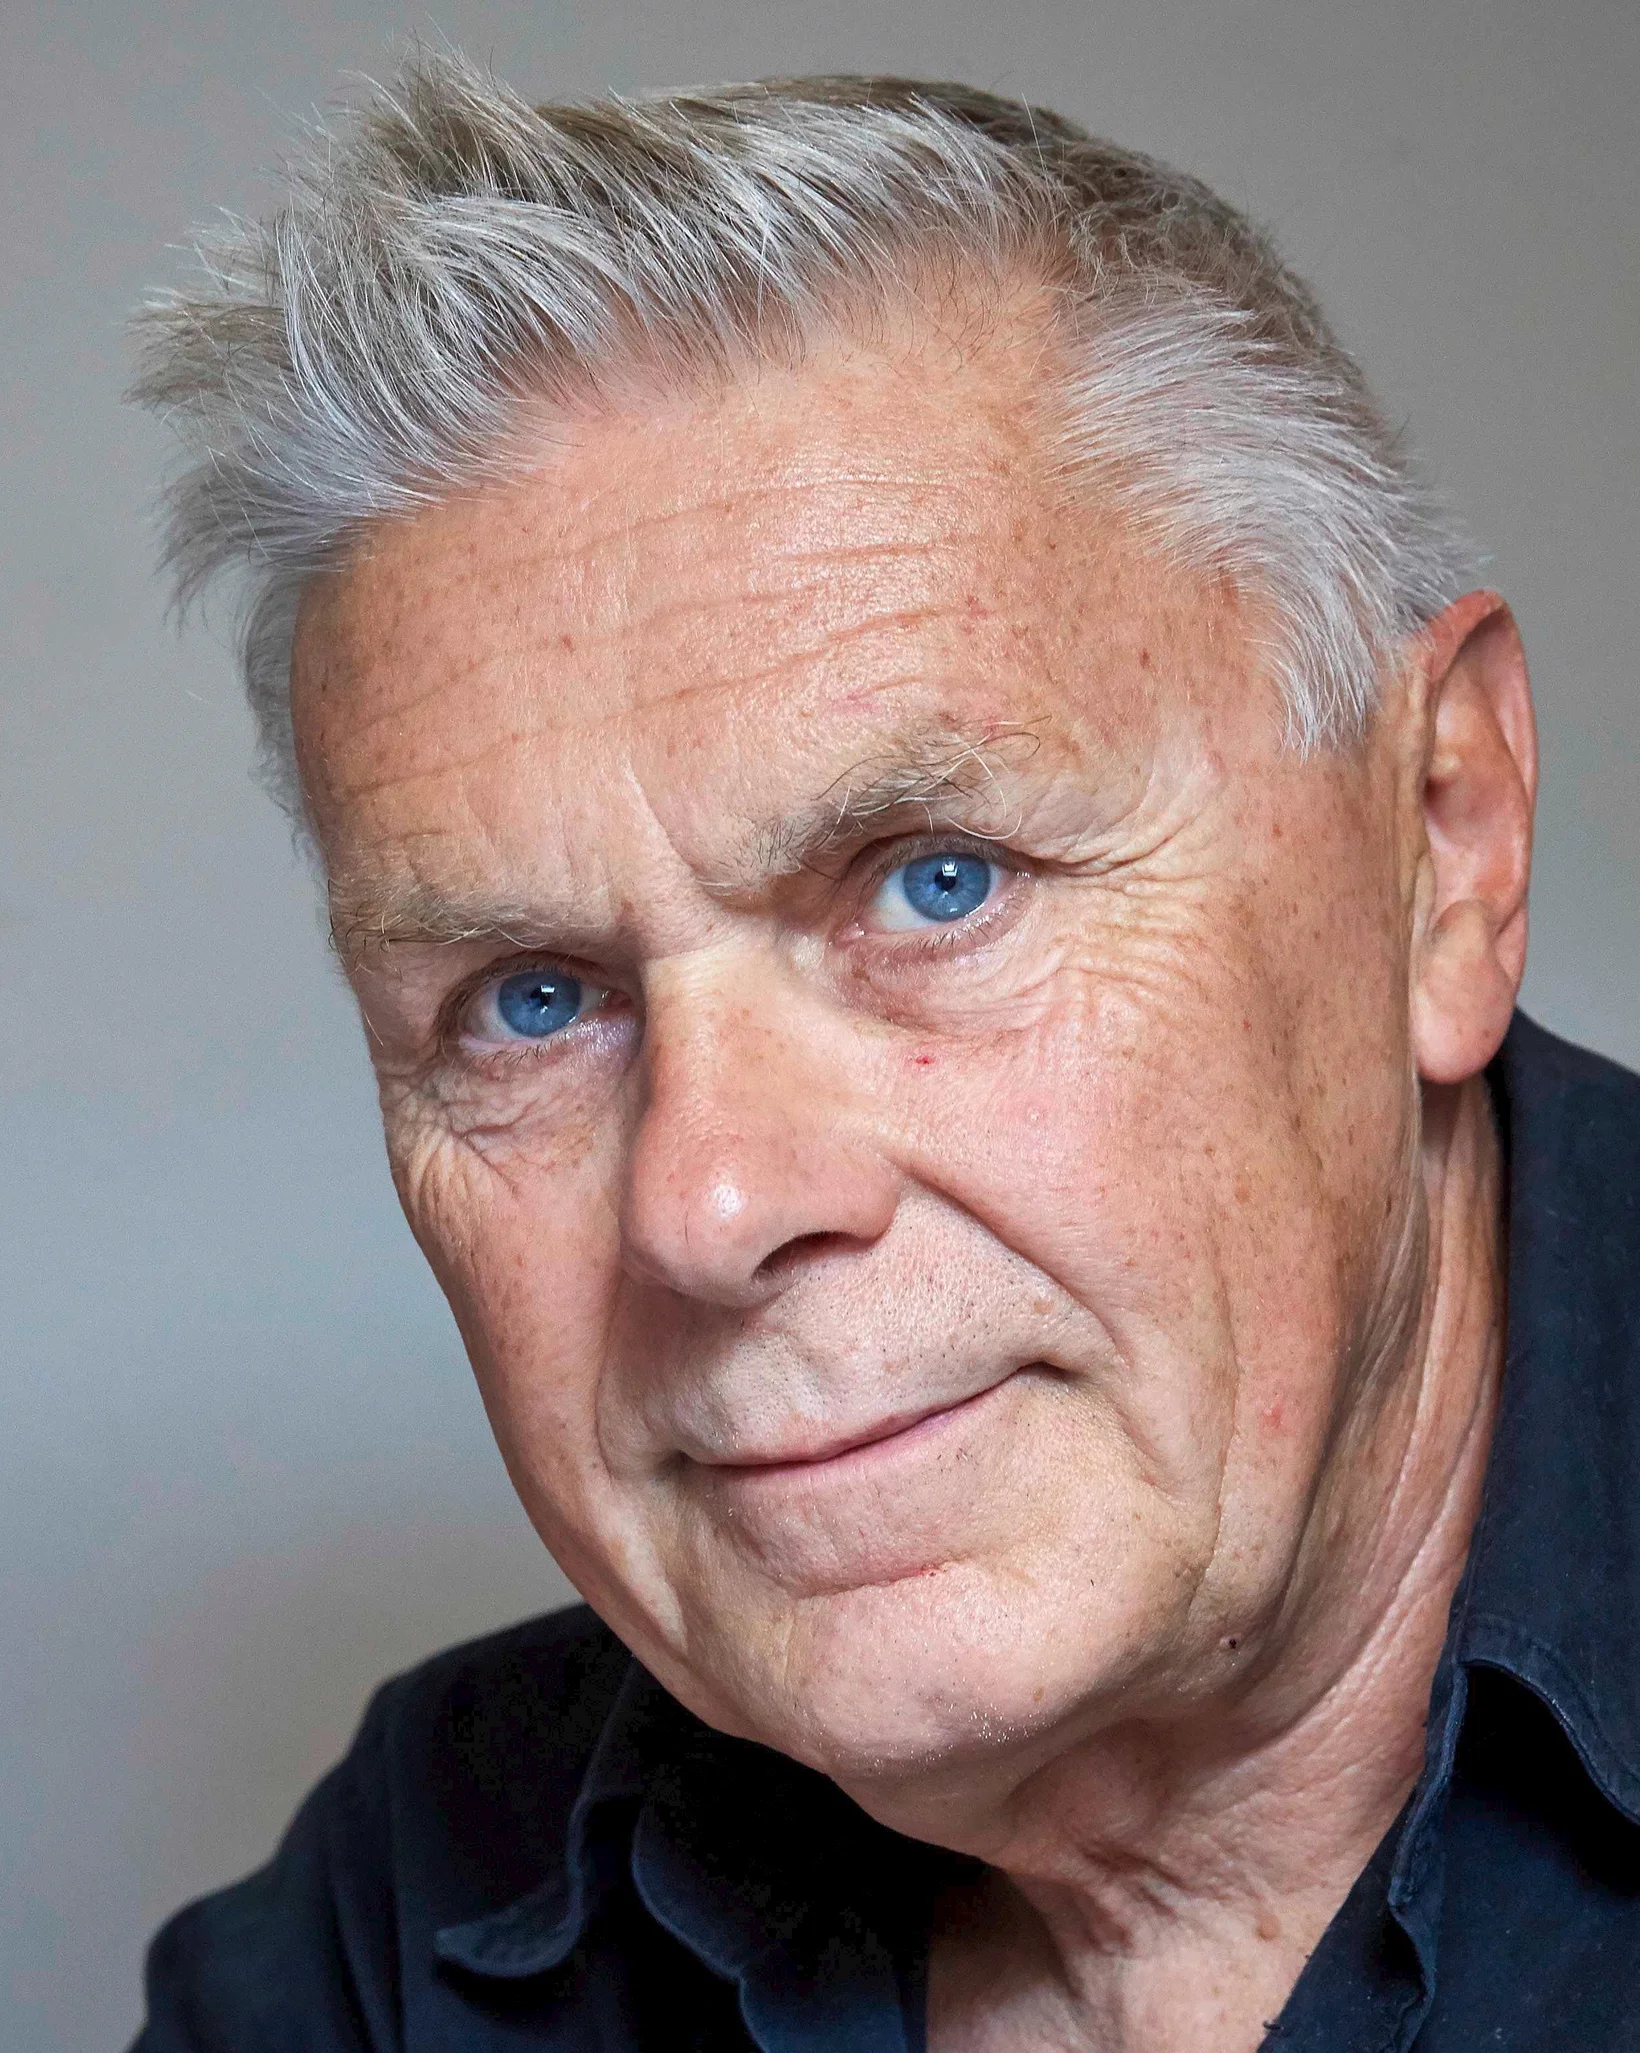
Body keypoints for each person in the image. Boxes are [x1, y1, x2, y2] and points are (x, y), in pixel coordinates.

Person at [128, 55, 1640, 2053]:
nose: (706, 1203)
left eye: (937, 884)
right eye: (532, 999)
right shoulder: (410, 1914)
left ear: (1442, 840)